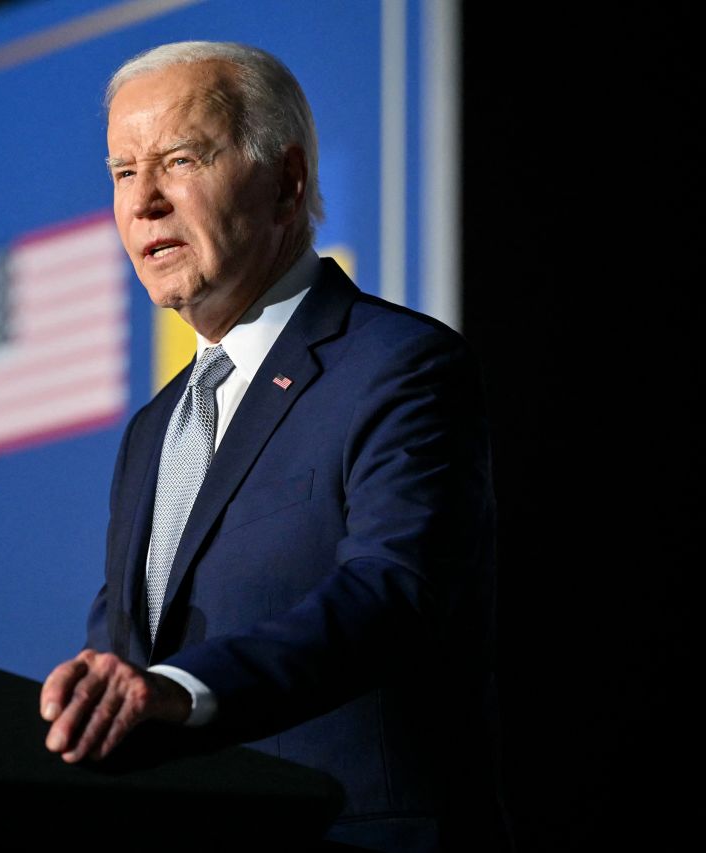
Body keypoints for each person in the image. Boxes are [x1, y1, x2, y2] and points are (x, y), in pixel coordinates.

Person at [39, 42, 508, 852]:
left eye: (179, 159)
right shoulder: (153, 432)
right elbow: (120, 659)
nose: (143, 202)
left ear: (287, 180)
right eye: (122, 172)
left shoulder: (396, 365)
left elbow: (393, 591)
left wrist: (181, 692)